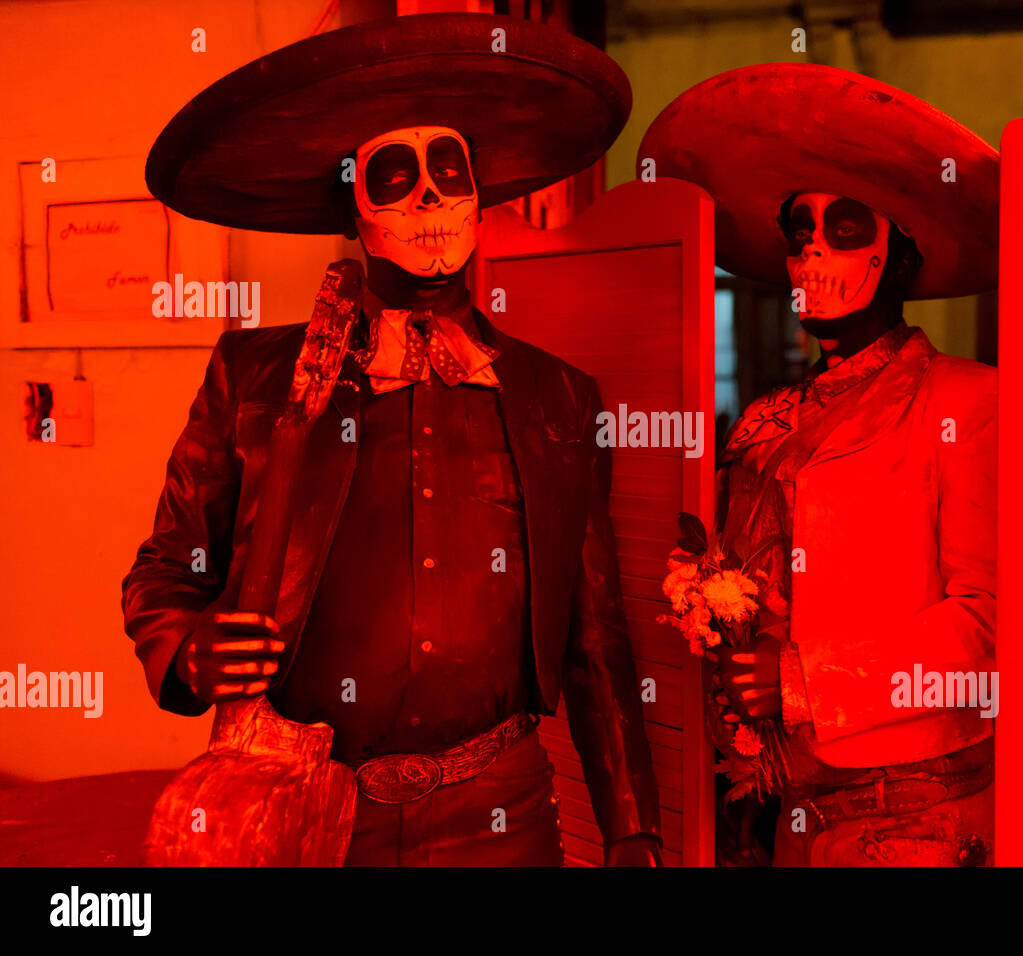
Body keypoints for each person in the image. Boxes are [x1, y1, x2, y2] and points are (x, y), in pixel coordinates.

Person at [123, 13, 660, 867]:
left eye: (450, 174)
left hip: (502, 813)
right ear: (353, 206)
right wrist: (190, 649)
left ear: (480, 198)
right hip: (314, 806)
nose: (428, 201)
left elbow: (596, 636)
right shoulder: (255, 376)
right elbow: (165, 567)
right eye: (395, 176)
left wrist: (632, 827)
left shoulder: (557, 394)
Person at [640, 63, 999, 866]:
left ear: (901, 258)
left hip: (913, 813)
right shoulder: (772, 419)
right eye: (800, 226)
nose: (810, 246)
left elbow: (990, 624)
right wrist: (700, 590)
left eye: (844, 226)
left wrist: (803, 678)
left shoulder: (964, 403)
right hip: (782, 805)